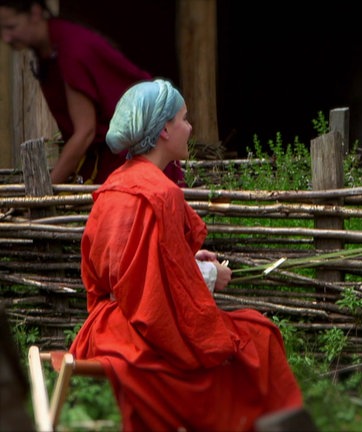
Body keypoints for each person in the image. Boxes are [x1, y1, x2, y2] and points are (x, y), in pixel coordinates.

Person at [69, 79, 306, 431]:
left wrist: (189, 260)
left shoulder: (114, 185)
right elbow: (156, 291)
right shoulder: (161, 193)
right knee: (260, 334)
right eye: (183, 119)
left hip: (106, 326)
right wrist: (211, 275)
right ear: (164, 130)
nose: (190, 128)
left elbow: (137, 267)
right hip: (144, 335)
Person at [0, 0, 185, 185]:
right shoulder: (51, 50)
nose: (6, 38)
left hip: (137, 160)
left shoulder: (72, 50)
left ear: (35, 13)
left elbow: (85, 133)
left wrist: (45, 189)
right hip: (113, 160)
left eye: (11, 27)